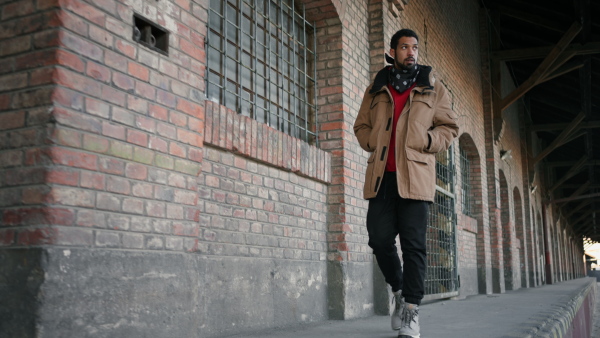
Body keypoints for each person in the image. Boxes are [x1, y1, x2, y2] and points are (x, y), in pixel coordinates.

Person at [353, 28, 459, 338]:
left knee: (414, 247)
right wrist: (373, 140)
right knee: (379, 239)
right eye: (403, 47)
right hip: (382, 178)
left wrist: (427, 140)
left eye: (414, 47)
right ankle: (399, 290)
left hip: (415, 177)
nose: (410, 52)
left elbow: (449, 128)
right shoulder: (377, 87)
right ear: (393, 51)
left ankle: (411, 311)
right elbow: (361, 125)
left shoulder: (432, 88)